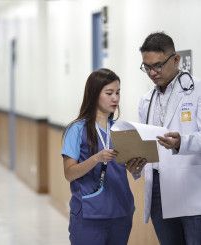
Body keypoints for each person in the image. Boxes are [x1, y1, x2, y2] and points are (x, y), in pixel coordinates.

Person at [135, 32, 201, 245]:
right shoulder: (146, 100)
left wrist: (181, 143)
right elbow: (146, 143)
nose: (152, 73)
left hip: (194, 191)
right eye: (147, 67)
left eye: (158, 65)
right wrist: (136, 160)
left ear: (175, 60)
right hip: (158, 190)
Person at [61, 68, 140, 245]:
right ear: (95, 94)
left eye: (118, 92)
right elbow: (69, 173)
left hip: (121, 212)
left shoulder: (121, 129)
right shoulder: (76, 129)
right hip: (89, 214)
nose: (116, 98)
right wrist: (96, 158)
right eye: (109, 93)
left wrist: (135, 167)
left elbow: (125, 168)